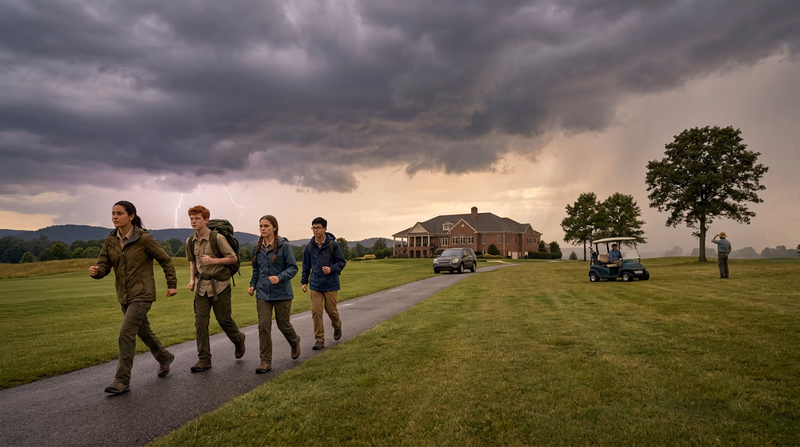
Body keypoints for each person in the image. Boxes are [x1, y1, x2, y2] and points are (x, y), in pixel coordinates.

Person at [89, 201, 177, 395]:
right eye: (113, 213)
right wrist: (97, 271)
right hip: (124, 295)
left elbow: (165, 260)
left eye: (119, 213)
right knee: (143, 331)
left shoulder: (144, 238)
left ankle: (122, 381)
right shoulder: (110, 241)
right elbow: (104, 265)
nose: (115, 217)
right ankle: (164, 357)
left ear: (131, 216)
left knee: (125, 334)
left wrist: (172, 284)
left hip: (143, 294)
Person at [185, 205, 246, 372]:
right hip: (201, 288)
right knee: (200, 323)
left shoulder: (217, 238)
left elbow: (233, 258)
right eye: (191, 218)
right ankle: (204, 359)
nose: (193, 221)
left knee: (224, 320)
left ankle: (239, 339)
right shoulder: (190, 241)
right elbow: (192, 261)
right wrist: (192, 280)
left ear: (206, 220)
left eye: (197, 218)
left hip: (220, 286)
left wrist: (214, 261)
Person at [248, 215, 301, 373]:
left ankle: (294, 341)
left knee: (283, 324)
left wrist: (280, 277)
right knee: (263, 326)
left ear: (275, 228)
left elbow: (293, 268)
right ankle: (265, 362)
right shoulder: (257, 248)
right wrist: (252, 285)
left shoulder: (284, 246)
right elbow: (256, 270)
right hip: (263, 293)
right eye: (261, 226)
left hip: (282, 293)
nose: (263, 229)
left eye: (266, 226)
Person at [301, 217, 347, 350]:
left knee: (331, 311)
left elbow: (341, 262)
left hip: (330, 283)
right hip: (315, 284)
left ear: (325, 228)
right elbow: (306, 265)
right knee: (316, 311)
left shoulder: (333, 245)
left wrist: (331, 269)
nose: (315, 230)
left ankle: (337, 326)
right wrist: (304, 282)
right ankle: (319, 339)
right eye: (313, 228)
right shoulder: (309, 246)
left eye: (318, 228)